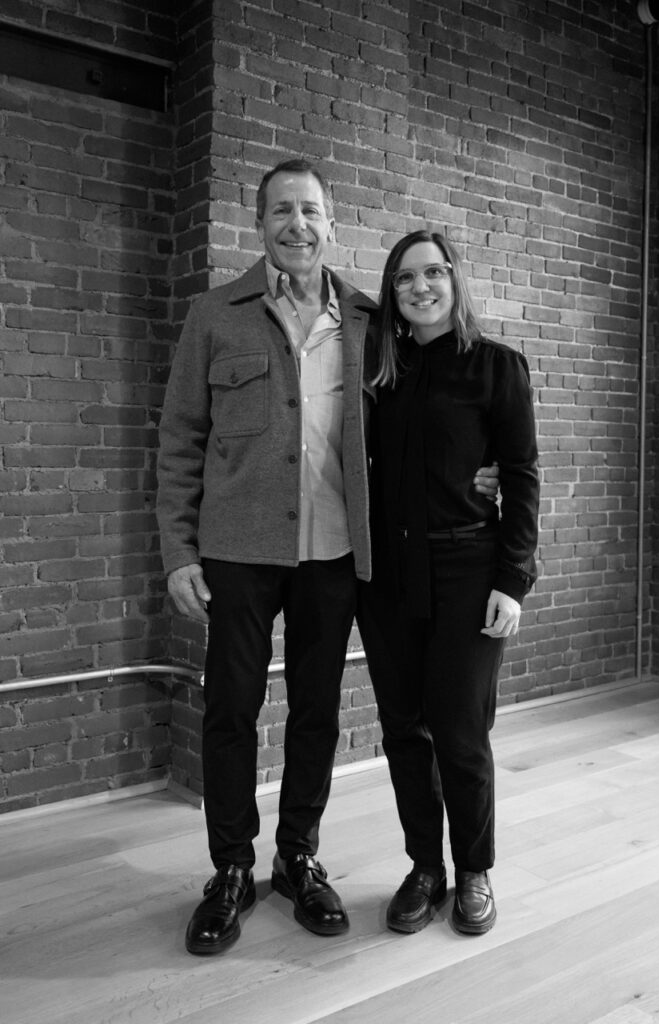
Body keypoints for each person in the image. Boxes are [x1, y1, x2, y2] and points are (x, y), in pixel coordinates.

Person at [156, 160, 499, 956]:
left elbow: (431, 415)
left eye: (311, 211)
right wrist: (179, 552)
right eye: (282, 211)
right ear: (261, 223)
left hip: (337, 553)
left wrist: (490, 478)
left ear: (332, 223)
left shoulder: (371, 320)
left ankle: (299, 856)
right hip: (239, 552)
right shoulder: (214, 316)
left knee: (315, 712)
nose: (297, 225)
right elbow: (179, 442)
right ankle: (232, 870)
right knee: (231, 709)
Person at [357, 230, 539, 938]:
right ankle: (424, 869)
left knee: (460, 731)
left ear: (456, 280)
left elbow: (521, 478)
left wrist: (513, 581)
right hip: (390, 579)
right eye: (404, 279)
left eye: (433, 273)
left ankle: (473, 871)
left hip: (470, 572)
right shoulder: (380, 374)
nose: (420, 287)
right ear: (392, 294)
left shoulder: (498, 368)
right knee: (404, 730)